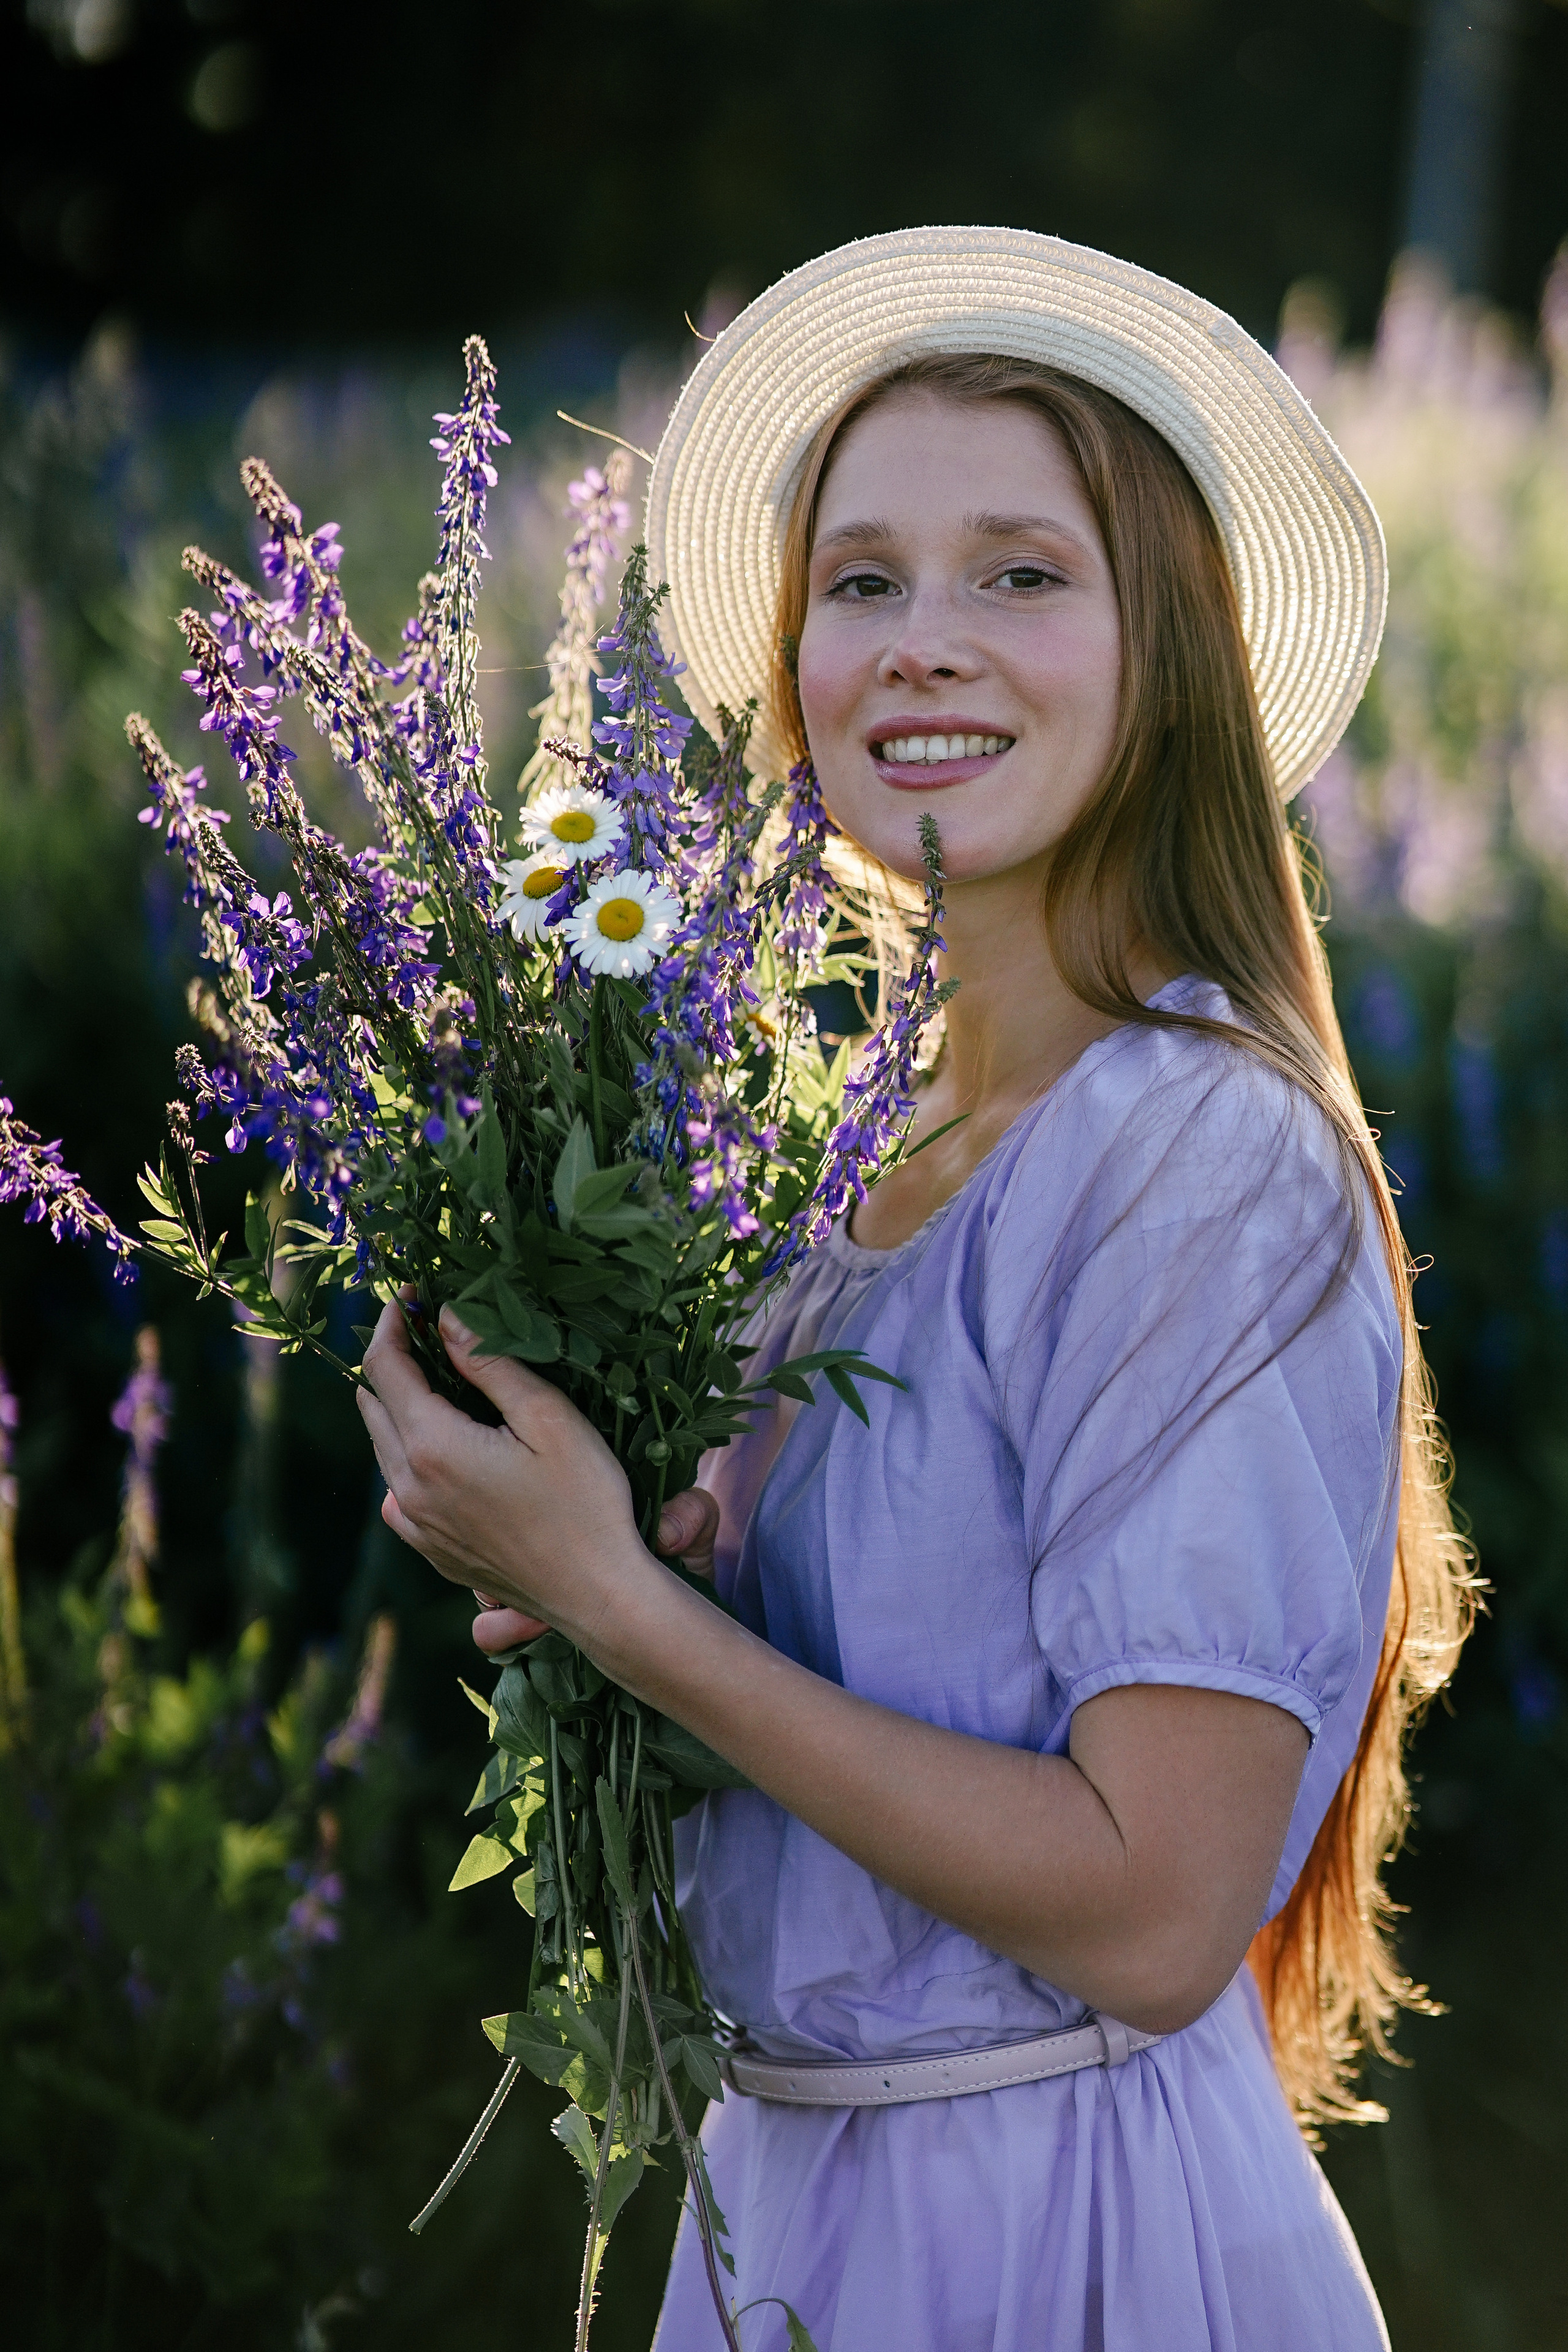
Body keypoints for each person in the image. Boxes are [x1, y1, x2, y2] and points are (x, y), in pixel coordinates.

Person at [357, 230, 1476, 2350]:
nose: (921, 645)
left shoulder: (1195, 1146)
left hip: (1063, 2238)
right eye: (861, 582)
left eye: (1021, 575)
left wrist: (628, 1608)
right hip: (794, 2210)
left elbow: (1154, 1919)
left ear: (1174, 652)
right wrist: (574, 1512)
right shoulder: (821, 1180)